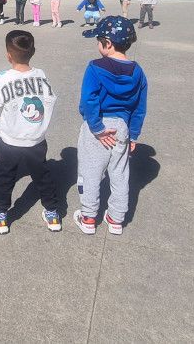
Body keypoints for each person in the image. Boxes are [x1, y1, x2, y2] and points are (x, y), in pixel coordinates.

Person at [75, 16, 148, 236]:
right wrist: (133, 136)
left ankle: (88, 217)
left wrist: (96, 127)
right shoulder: (137, 71)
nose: (98, 45)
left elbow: (89, 100)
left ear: (107, 43)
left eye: (98, 41)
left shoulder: (96, 67)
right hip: (122, 127)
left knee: (90, 172)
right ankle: (116, 219)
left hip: (98, 125)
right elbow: (139, 107)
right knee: (119, 173)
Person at [0, 30, 61, 234]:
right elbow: (51, 99)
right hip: (36, 138)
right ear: (33, 51)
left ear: (8, 55)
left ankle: (1, 215)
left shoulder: (4, 78)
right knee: (42, 174)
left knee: (5, 177)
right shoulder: (41, 76)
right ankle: (52, 212)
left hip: (9, 140)